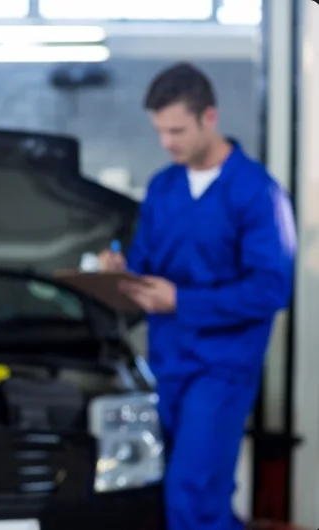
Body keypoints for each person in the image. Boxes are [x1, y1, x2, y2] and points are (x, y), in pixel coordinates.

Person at [100, 62, 296, 530]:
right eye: (160, 131)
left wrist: (181, 302)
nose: (167, 143)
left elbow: (271, 289)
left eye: (177, 131)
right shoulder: (164, 186)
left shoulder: (257, 192)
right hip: (169, 362)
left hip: (223, 367)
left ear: (209, 117)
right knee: (183, 488)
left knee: (192, 490)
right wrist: (120, 272)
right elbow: (147, 263)